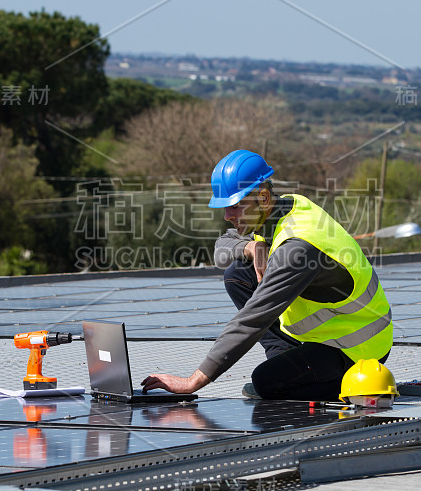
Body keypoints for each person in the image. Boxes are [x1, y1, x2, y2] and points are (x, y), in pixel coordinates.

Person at [141, 150, 392, 400]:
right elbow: (221, 249)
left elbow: (253, 319)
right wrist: (249, 246)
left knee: (265, 382)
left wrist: (192, 381)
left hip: (357, 348)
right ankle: (285, 355)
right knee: (237, 273)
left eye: (235, 206)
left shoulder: (297, 248)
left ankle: (334, 380)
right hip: (323, 334)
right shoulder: (279, 209)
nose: (228, 216)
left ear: (262, 197)